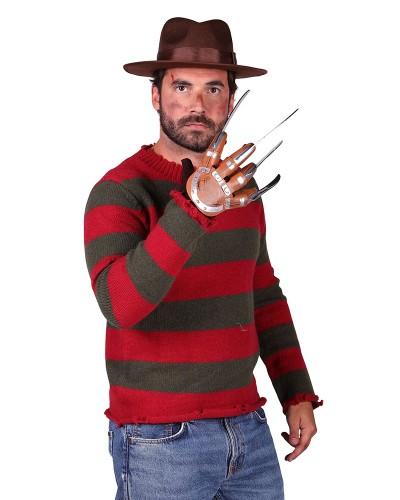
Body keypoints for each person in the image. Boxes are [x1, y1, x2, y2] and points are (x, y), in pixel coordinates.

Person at [84, 16, 323, 500]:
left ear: (230, 100)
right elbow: (120, 305)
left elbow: (262, 293)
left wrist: (295, 391)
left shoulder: (241, 190)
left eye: (213, 88)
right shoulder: (119, 191)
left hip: (248, 431)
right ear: (156, 96)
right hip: (158, 440)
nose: (197, 105)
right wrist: (197, 207)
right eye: (182, 87)